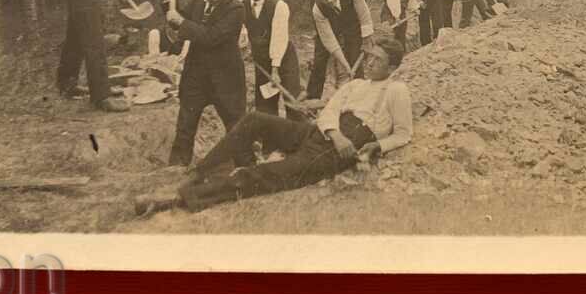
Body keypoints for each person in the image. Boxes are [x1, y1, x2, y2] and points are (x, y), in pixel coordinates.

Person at [134, 47, 412, 215]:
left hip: (343, 147)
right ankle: (198, 173)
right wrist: (334, 132)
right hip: (325, 133)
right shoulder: (356, 84)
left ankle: (177, 200)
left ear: (392, 66)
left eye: (377, 60)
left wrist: (377, 146)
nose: (370, 63)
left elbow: (403, 133)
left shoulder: (396, 90)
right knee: (255, 119)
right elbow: (330, 111)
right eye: (369, 57)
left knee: (269, 174)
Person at [163, 0, 246, 166]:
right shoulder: (198, 1)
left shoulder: (235, 8)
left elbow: (211, 37)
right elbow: (177, 19)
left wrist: (182, 23)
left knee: (236, 125)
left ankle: (245, 167)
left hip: (226, 78)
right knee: (185, 125)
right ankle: (176, 168)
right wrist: (168, 0)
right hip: (196, 76)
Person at [240, 0, 302, 119]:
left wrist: (275, 69)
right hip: (261, 59)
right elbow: (240, 31)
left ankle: (298, 138)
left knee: (292, 100)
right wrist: (245, 48)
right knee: (265, 103)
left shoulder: (279, 6)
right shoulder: (241, 3)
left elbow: (278, 38)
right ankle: (270, 139)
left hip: (283, 58)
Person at [306, 0, 376, 100]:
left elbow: (364, 16)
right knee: (319, 62)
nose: (328, 0)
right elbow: (330, 41)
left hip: (353, 27)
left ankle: (359, 98)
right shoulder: (317, 9)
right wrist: (345, 65)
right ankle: (312, 99)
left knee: (355, 60)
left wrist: (366, 40)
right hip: (332, 29)